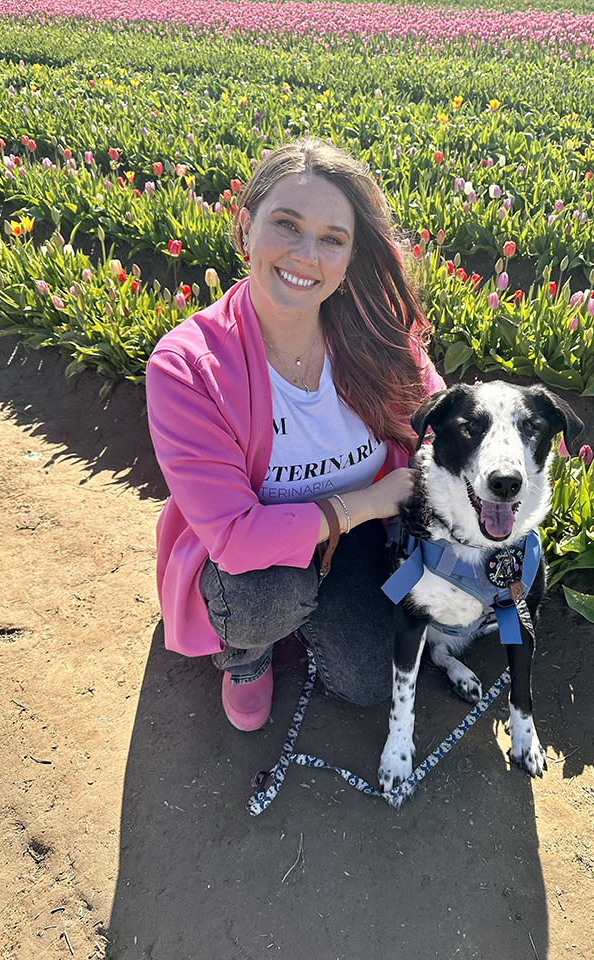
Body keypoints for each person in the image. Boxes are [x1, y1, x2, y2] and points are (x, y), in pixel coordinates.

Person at [146, 137, 445, 731]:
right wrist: (366, 502)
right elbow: (234, 537)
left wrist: (432, 471)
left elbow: (433, 418)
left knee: (370, 680)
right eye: (287, 224)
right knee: (266, 598)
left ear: (350, 255)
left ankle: (315, 615)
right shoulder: (187, 368)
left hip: (357, 539)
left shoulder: (375, 335)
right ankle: (246, 654)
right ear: (245, 228)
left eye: (332, 239)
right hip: (250, 562)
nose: (307, 254)